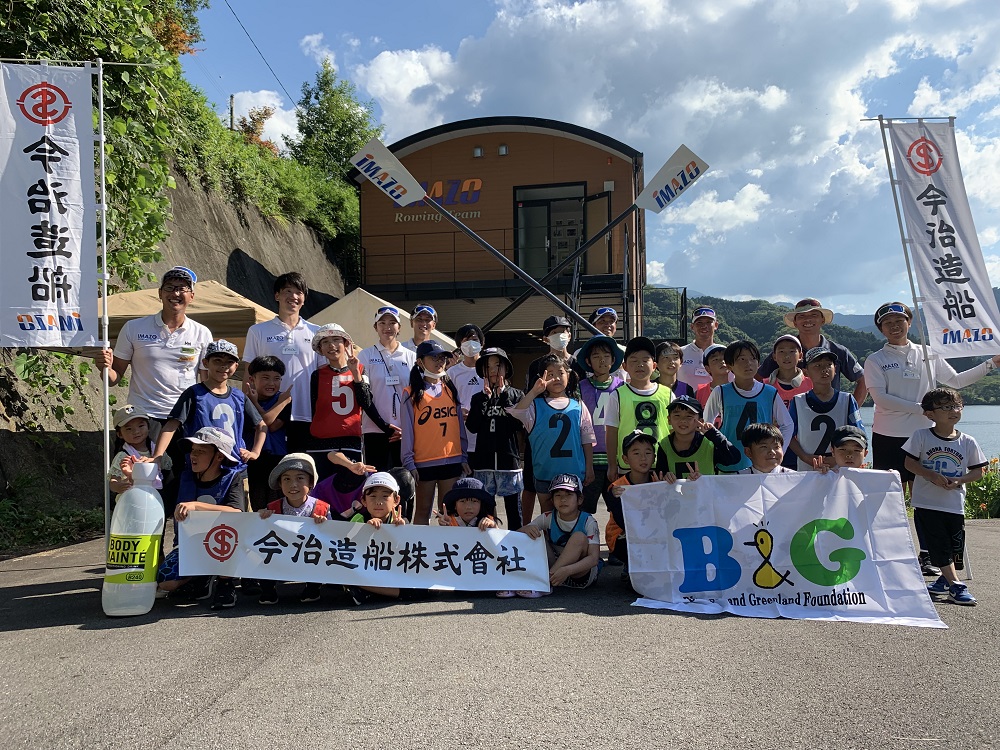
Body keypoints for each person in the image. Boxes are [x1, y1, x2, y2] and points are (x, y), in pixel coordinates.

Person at [863, 301, 1000, 576]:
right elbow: (881, 398)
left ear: (910, 323)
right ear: (881, 328)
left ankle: (927, 554)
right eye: (888, 322)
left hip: (925, 436)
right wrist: (924, 409)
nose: (894, 326)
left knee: (924, 499)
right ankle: (888, 552)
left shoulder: (927, 353)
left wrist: (991, 363)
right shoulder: (875, 359)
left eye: (899, 320)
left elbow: (956, 381)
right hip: (889, 435)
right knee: (889, 497)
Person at [95, 266, 212, 507]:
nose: (175, 293)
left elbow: (205, 384)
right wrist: (104, 366)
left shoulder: (202, 333)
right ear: (160, 293)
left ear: (191, 296)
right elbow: (113, 378)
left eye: (182, 289)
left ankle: (171, 531)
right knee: (135, 487)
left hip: (182, 420)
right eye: (169, 288)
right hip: (143, 421)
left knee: (176, 486)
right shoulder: (134, 328)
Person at [904, 388, 986, 606]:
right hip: (927, 503)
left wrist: (959, 481)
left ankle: (944, 581)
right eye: (946, 407)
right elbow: (909, 463)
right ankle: (956, 586)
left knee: (955, 549)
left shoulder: (967, 441)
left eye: (957, 406)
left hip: (954, 504)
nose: (953, 411)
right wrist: (931, 475)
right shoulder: (921, 436)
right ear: (930, 414)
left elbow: (978, 471)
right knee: (939, 545)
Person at [152, 340, 266, 486]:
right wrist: (158, 456)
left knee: (237, 501)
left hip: (235, 469)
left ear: (236, 366)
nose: (223, 366)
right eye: (217, 360)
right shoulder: (194, 394)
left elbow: (261, 426)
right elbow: (171, 425)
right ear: (205, 363)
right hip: (200, 470)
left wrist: (255, 452)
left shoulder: (239, 396)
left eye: (229, 362)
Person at [156, 427, 247, 609]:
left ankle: (225, 585)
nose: (193, 455)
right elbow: (162, 509)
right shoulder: (184, 478)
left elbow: (237, 512)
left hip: (224, 546)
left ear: (219, 456)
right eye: (192, 450)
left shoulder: (232, 478)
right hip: (190, 546)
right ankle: (202, 577)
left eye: (201, 451)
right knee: (166, 581)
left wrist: (196, 506)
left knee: (228, 547)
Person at [241, 272, 319, 453]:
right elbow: (248, 372)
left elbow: (322, 373)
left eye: (299, 292)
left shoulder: (317, 333)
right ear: (277, 295)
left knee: (302, 465)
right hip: (268, 414)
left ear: (304, 299)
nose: (293, 296)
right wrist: (248, 409)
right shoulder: (258, 331)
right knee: (268, 464)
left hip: (306, 413)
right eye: (288, 291)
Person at [509, 353, 595, 515]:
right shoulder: (534, 406)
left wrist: (589, 467)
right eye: (550, 374)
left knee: (572, 516)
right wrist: (534, 391)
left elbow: (587, 439)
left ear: (568, 375)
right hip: (545, 473)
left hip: (574, 473)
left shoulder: (578, 405)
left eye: (560, 373)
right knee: (548, 516)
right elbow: (517, 412)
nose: (556, 378)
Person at [401, 340, 471, 525]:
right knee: (423, 510)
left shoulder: (451, 389)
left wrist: (463, 456)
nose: (439, 362)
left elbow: (459, 426)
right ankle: (420, 545)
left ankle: (446, 545)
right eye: (434, 358)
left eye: (442, 358)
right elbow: (407, 432)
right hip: (424, 462)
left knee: (448, 512)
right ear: (420, 361)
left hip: (452, 459)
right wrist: (409, 462)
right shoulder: (411, 393)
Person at [758, 298, 867, 406]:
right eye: (801, 316)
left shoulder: (839, 351)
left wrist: (850, 411)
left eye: (814, 315)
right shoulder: (783, 352)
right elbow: (756, 379)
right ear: (795, 322)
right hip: (792, 415)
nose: (808, 320)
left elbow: (863, 380)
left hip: (831, 413)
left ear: (822, 320)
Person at [704, 341, 793, 473]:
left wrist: (778, 452)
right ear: (729, 365)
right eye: (742, 359)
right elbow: (706, 426)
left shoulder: (769, 392)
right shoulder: (720, 392)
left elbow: (787, 424)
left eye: (753, 359)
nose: (748, 363)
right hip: (730, 466)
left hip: (762, 467)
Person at [521, 314, 576, 527]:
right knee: (531, 484)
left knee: (569, 488)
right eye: (554, 332)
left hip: (569, 430)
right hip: (540, 431)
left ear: (570, 335)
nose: (560, 335)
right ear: (546, 338)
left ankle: (568, 529)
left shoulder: (577, 363)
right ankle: (526, 528)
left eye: (563, 331)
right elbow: (529, 398)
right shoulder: (536, 365)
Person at [255, 453, 331, 605]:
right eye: (287, 479)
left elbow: (332, 538)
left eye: (300, 478)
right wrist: (260, 518)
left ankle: (313, 588)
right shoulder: (272, 508)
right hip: (282, 557)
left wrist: (324, 524)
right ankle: (268, 589)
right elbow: (258, 537)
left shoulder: (322, 508)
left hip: (310, 557)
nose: (293, 484)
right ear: (280, 483)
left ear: (310, 482)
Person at [465, 347, 525, 530]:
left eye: (497, 365)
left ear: (506, 368)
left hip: (509, 462)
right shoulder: (478, 398)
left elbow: (518, 425)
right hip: (484, 462)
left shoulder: (517, 395)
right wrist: (485, 400)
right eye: (488, 366)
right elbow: (472, 427)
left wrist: (504, 397)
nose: (493, 371)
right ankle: (489, 543)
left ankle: (516, 543)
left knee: (514, 510)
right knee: (486, 511)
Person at [517, 473, 601, 598]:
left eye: (569, 495)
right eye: (558, 495)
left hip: (578, 574)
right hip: (556, 569)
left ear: (580, 499)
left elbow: (594, 558)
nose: (563, 499)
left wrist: (567, 570)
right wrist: (526, 529)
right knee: (535, 534)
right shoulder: (548, 517)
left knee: (579, 537)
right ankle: (545, 579)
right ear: (552, 500)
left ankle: (545, 581)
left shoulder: (588, 521)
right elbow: (517, 535)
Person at [308, 323, 374, 481]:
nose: (331, 345)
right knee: (322, 487)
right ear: (320, 349)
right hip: (321, 442)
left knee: (349, 486)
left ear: (345, 344)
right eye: (325, 342)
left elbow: (366, 402)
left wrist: (355, 373)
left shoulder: (360, 369)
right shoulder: (317, 375)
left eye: (336, 340)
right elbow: (314, 408)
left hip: (350, 439)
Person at [605, 336, 673, 484]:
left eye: (645, 360)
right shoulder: (617, 395)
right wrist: (612, 464)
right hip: (628, 467)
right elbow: (611, 432)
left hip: (662, 466)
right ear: (625, 366)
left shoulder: (667, 394)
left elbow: (673, 430)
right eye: (634, 361)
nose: (640, 365)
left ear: (654, 365)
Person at [357, 305, 416, 471]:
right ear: (375, 327)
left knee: (404, 479)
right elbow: (363, 396)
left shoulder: (411, 356)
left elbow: (416, 395)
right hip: (373, 429)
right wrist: (384, 426)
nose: (387, 327)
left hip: (404, 431)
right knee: (377, 479)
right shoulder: (366, 355)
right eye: (382, 323)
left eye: (392, 323)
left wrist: (407, 428)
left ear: (399, 327)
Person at [787, 347, 863, 470]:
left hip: (840, 469)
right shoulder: (798, 401)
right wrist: (805, 457)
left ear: (835, 369)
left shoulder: (847, 400)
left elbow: (858, 435)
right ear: (806, 372)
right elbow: (788, 434)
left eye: (828, 365)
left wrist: (837, 458)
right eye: (817, 366)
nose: (824, 369)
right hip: (807, 469)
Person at [575, 335, 625, 514]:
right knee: (584, 510)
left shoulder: (622, 387)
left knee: (619, 510)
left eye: (606, 356)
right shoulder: (580, 388)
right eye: (596, 356)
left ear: (613, 360)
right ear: (588, 361)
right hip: (590, 460)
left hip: (616, 460)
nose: (602, 360)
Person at [606, 431, 663, 581]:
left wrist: (663, 491)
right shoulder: (617, 487)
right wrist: (614, 498)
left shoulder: (659, 481)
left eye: (648, 453)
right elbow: (620, 519)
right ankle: (630, 565)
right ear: (625, 459)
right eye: (636, 453)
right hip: (622, 536)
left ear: (654, 457)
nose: (643, 458)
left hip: (650, 532)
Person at [345, 472, 407, 605]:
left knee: (420, 590)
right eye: (372, 496)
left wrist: (401, 530)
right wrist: (365, 530)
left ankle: (366, 591)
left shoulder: (399, 520)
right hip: (365, 569)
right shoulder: (359, 519)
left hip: (391, 571)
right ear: (364, 501)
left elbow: (407, 552)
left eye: (385, 496)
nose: (378, 502)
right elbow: (348, 545)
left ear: (396, 500)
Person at [243, 356, 292, 510]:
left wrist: (282, 402)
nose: (271, 383)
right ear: (252, 379)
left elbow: (271, 426)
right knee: (257, 502)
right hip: (254, 458)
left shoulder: (283, 398)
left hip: (277, 458)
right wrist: (281, 403)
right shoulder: (244, 400)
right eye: (265, 378)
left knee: (276, 503)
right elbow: (264, 422)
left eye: (276, 378)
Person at [656, 395, 741, 480]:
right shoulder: (664, 445)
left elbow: (734, 458)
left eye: (689, 416)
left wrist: (714, 434)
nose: (683, 420)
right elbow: (660, 475)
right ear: (669, 419)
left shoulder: (709, 444)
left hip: (706, 489)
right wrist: (666, 476)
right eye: (677, 415)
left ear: (700, 421)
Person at [108, 404, 170, 496]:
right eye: (129, 429)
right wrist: (118, 486)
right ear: (119, 434)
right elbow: (113, 480)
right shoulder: (123, 456)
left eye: (141, 426)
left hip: (154, 497)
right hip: (131, 499)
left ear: (148, 427)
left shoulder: (156, 450)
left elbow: (168, 469)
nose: (136, 431)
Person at [447, 323, 486, 459]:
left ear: (482, 344)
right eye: (465, 340)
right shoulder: (452, 373)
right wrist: (458, 410)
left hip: (485, 437)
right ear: (459, 346)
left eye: (474, 340)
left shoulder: (489, 370)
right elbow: (446, 402)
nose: (470, 344)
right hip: (459, 438)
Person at [679, 306, 724, 389]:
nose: (704, 326)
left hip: (719, 397)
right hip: (686, 397)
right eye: (699, 323)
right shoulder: (679, 353)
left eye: (708, 322)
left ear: (716, 325)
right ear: (692, 327)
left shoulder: (726, 353)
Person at [764, 334, 812, 409]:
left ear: (800, 356)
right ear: (774, 356)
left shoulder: (811, 384)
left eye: (792, 351)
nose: (787, 356)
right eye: (781, 351)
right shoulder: (764, 386)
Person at [695, 344, 729, 409]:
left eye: (724, 358)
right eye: (715, 359)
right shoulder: (700, 392)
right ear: (707, 368)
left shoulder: (739, 389)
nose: (722, 361)